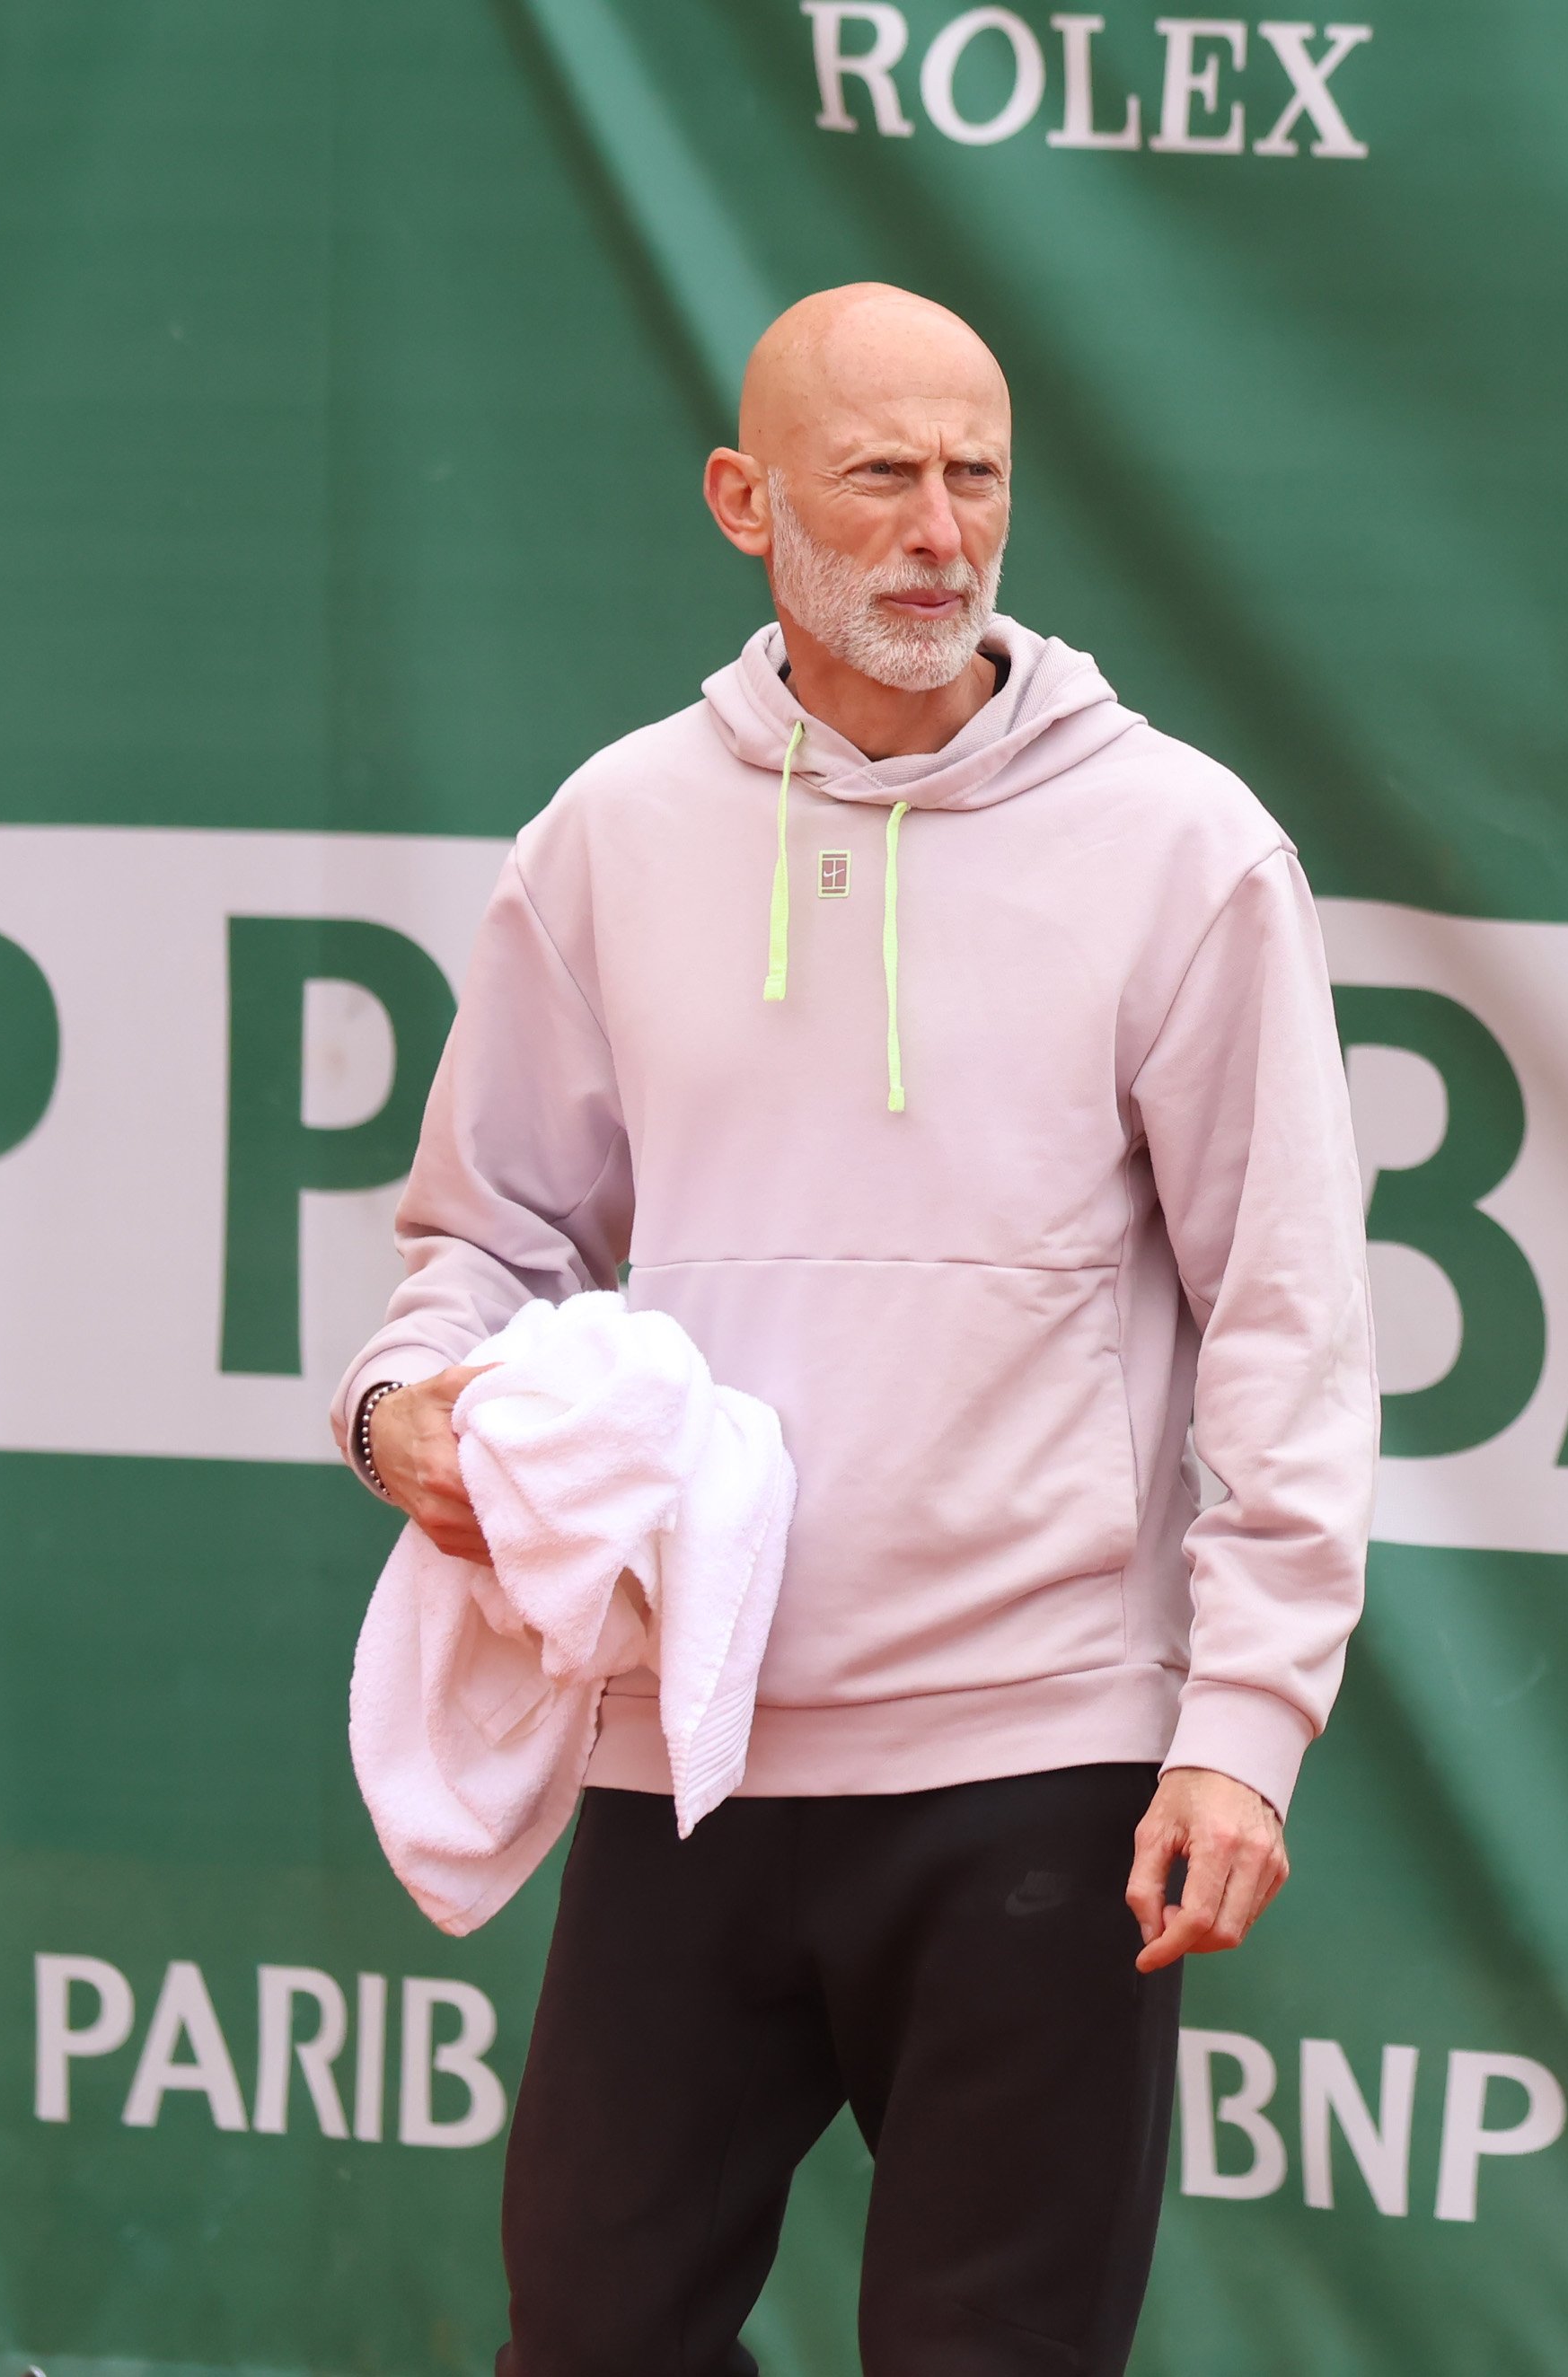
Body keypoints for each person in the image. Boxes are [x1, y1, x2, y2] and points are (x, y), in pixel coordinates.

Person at [337, 283, 1378, 2377]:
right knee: (596, 2334)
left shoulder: (1183, 846)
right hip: (687, 1753)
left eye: (975, 477)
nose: (937, 532)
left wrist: (1243, 1722)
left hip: (1047, 1763)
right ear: (743, 501)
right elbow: (476, 1240)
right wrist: (401, 1413)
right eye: (878, 477)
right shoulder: (614, 831)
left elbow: (1287, 1314)